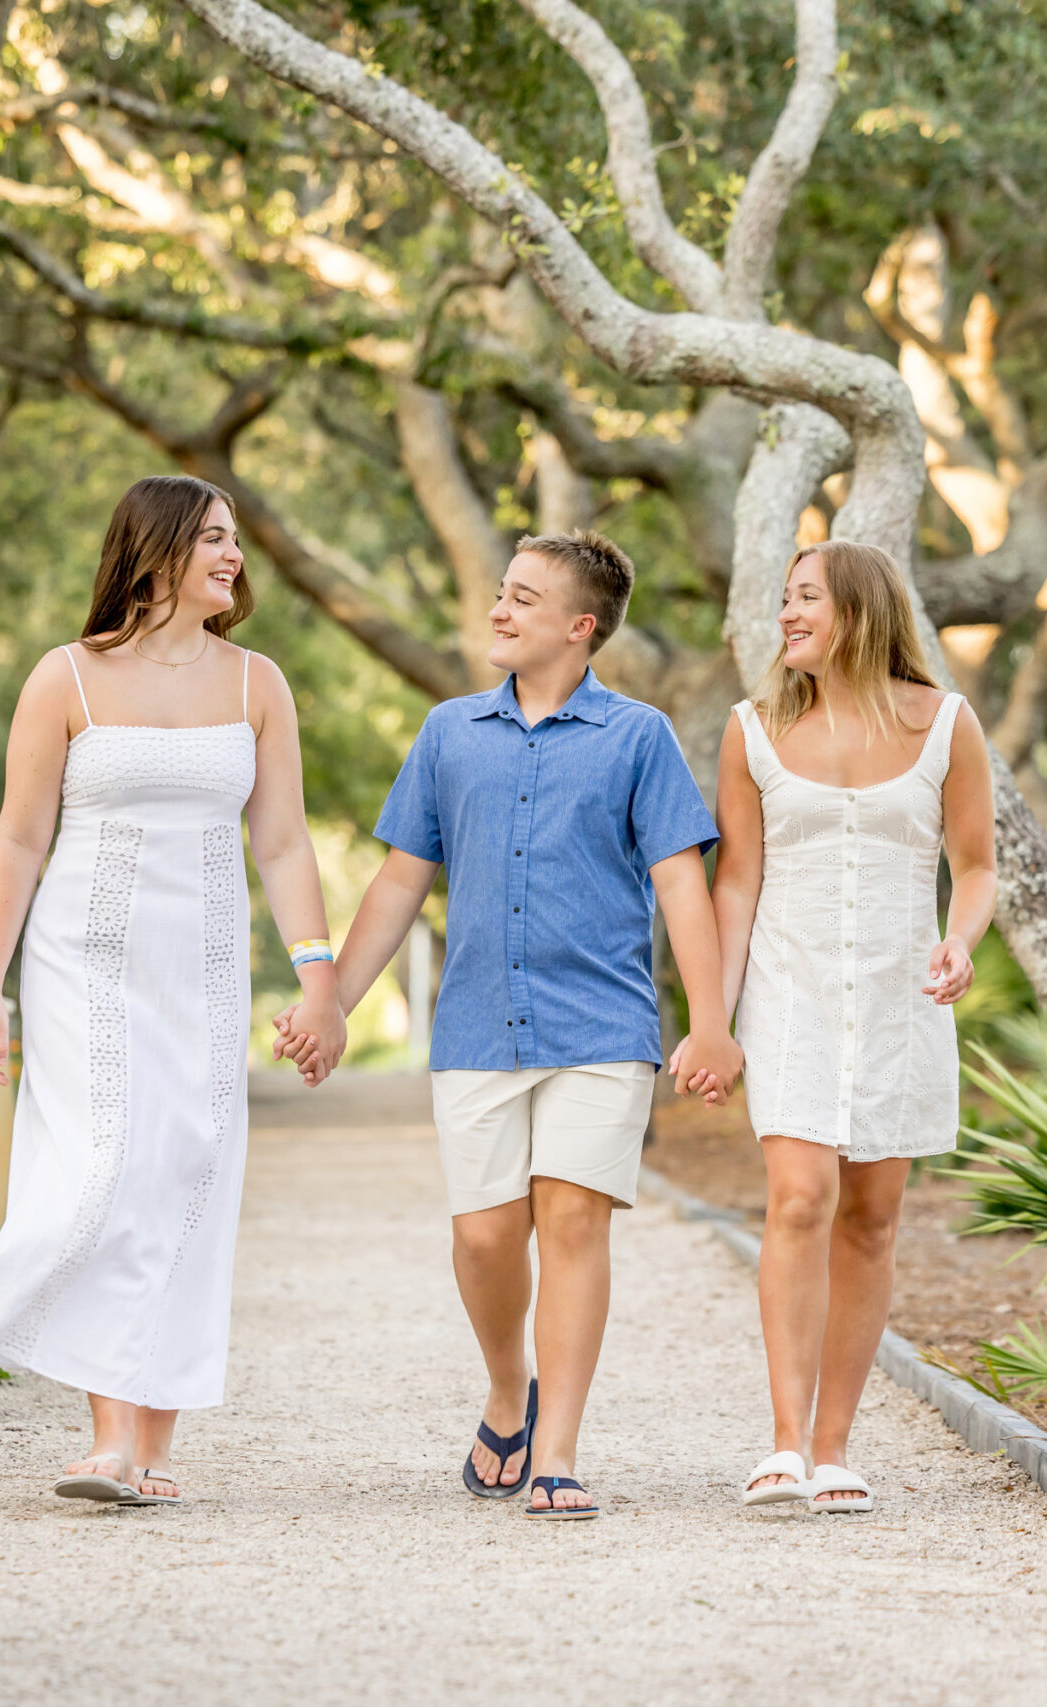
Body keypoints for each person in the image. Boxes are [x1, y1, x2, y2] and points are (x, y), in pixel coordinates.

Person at [300, 530, 740, 1520]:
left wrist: (707, 1024)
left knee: (575, 1225)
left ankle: (557, 1452)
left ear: (579, 627)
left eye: (524, 599)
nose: (499, 611)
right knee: (488, 1239)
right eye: (502, 593)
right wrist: (332, 998)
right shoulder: (449, 732)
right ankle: (509, 1387)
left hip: (602, 1026)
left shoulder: (639, 737)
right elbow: (400, 882)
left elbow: (682, 885)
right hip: (478, 1029)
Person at [0, 475, 346, 1507]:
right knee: (103, 1171)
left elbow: (283, 843)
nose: (232, 556)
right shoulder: (62, 679)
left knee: (183, 1177)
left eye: (235, 540)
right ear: (153, 551)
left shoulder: (258, 685)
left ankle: (145, 1447)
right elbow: (19, 840)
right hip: (81, 967)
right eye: (212, 538)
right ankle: (109, 1435)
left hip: (200, 969)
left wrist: (320, 981)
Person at [711, 540, 996, 1516]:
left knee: (870, 1219)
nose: (785, 616)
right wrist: (714, 1016)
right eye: (784, 600)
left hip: (898, 996)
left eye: (802, 600)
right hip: (788, 992)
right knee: (799, 1198)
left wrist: (960, 939)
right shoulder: (750, 731)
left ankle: (836, 1447)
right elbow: (736, 881)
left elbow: (977, 866)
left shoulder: (946, 724)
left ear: (860, 613)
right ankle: (784, 1442)